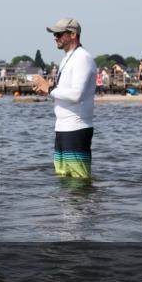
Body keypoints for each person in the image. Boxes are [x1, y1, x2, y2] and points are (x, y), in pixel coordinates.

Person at [32, 18, 97, 181]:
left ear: (73, 34)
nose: (55, 37)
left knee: (79, 181)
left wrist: (50, 89)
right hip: (62, 128)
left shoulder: (82, 58)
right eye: (54, 34)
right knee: (63, 180)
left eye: (59, 34)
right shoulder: (67, 58)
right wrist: (47, 91)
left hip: (76, 127)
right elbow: (63, 91)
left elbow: (76, 95)